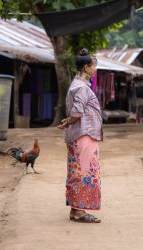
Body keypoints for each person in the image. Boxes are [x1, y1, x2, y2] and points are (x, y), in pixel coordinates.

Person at [57, 48, 103, 223]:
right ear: (86, 67)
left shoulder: (76, 85)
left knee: (77, 171)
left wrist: (67, 122)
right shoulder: (82, 87)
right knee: (85, 172)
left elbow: (75, 112)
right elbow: (77, 112)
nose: (95, 69)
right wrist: (69, 121)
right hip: (84, 135)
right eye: (94, 66)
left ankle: (76, 209)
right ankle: (79, 212)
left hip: (79, 135)